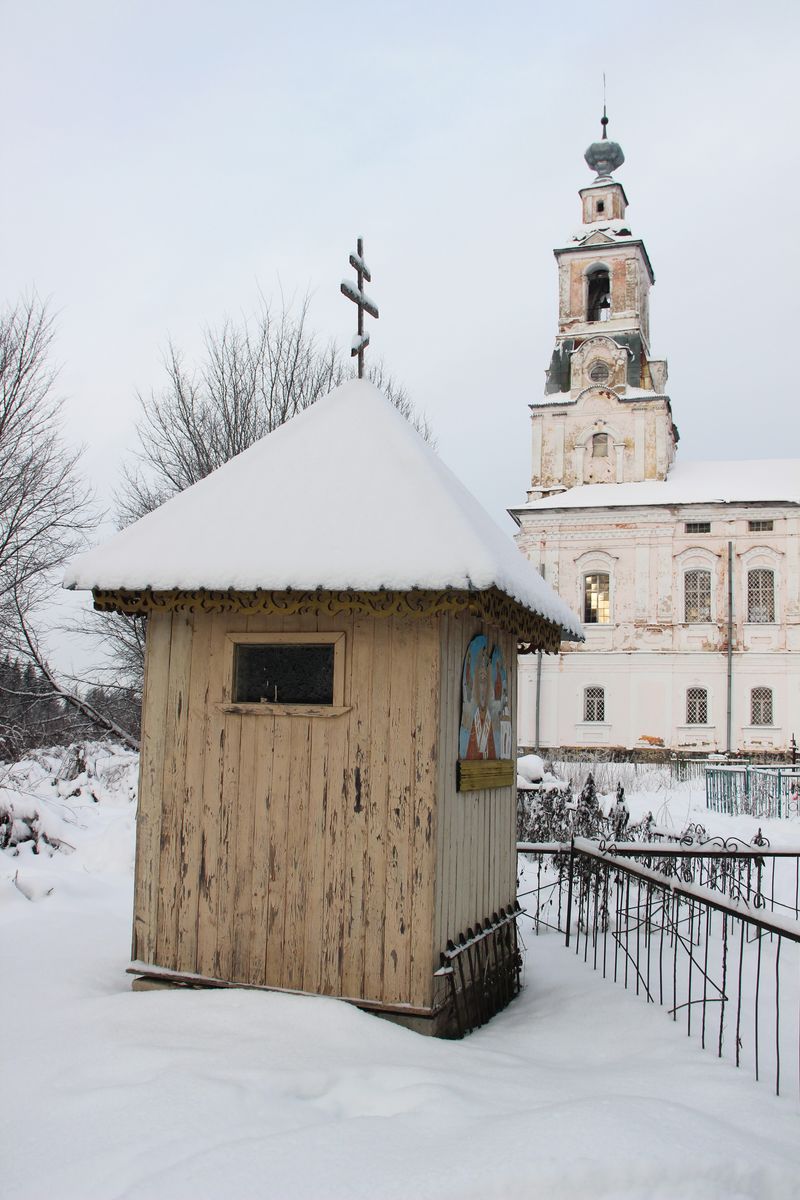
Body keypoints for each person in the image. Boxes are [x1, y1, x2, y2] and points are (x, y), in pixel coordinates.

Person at [464, 645, 496, 760]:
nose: (483, 689)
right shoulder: (476, 717)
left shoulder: (488, 717)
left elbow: (491, 750)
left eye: (485, 682)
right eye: (481, 682)